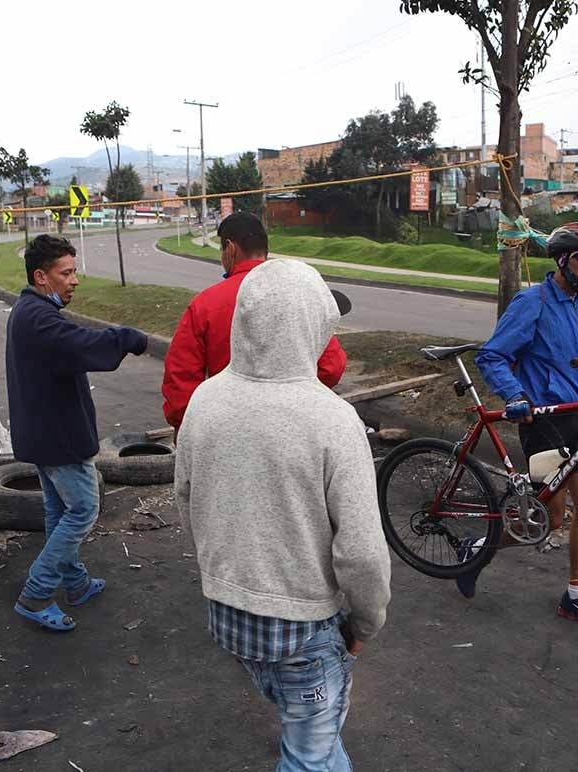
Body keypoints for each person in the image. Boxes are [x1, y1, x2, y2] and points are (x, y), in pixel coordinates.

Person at [175, 258, 391, 771]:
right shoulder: (333, 419)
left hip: (230, 619)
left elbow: (186, 501)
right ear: (315, 324)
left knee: (314, 741)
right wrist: (366, 623)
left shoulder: (204, 401)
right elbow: (361, 551)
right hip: (305, 633)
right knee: (309, 756)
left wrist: (223, 574)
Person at [455, 223, 578, 631]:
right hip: (542, 420)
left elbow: (572, 354)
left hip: (575, 416)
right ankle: (478, 548)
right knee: (551, 518)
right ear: (562, 260)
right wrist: (514, 394)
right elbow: (492, 356)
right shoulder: (532, 302)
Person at [6, 234, 149, 631]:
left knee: (59, 511)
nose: (74, 280)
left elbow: (70, 344)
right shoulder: (39, 318)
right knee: (83, 509)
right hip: (59, 437)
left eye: (74, 272)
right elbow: (80, 343)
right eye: (66, 273)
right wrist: (125, 337)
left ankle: (76, 582)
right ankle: (37, 593)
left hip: (42, 433)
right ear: (41, 276)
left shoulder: (30, 310)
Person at [162, 211, 346, 435]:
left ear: (230, 248)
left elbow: (181, 379)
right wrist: (294, 400)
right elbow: (331, 367)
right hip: (291, 428)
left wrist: (187, 428)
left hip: (226, 429)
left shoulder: (205, 304)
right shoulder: (296, 295)